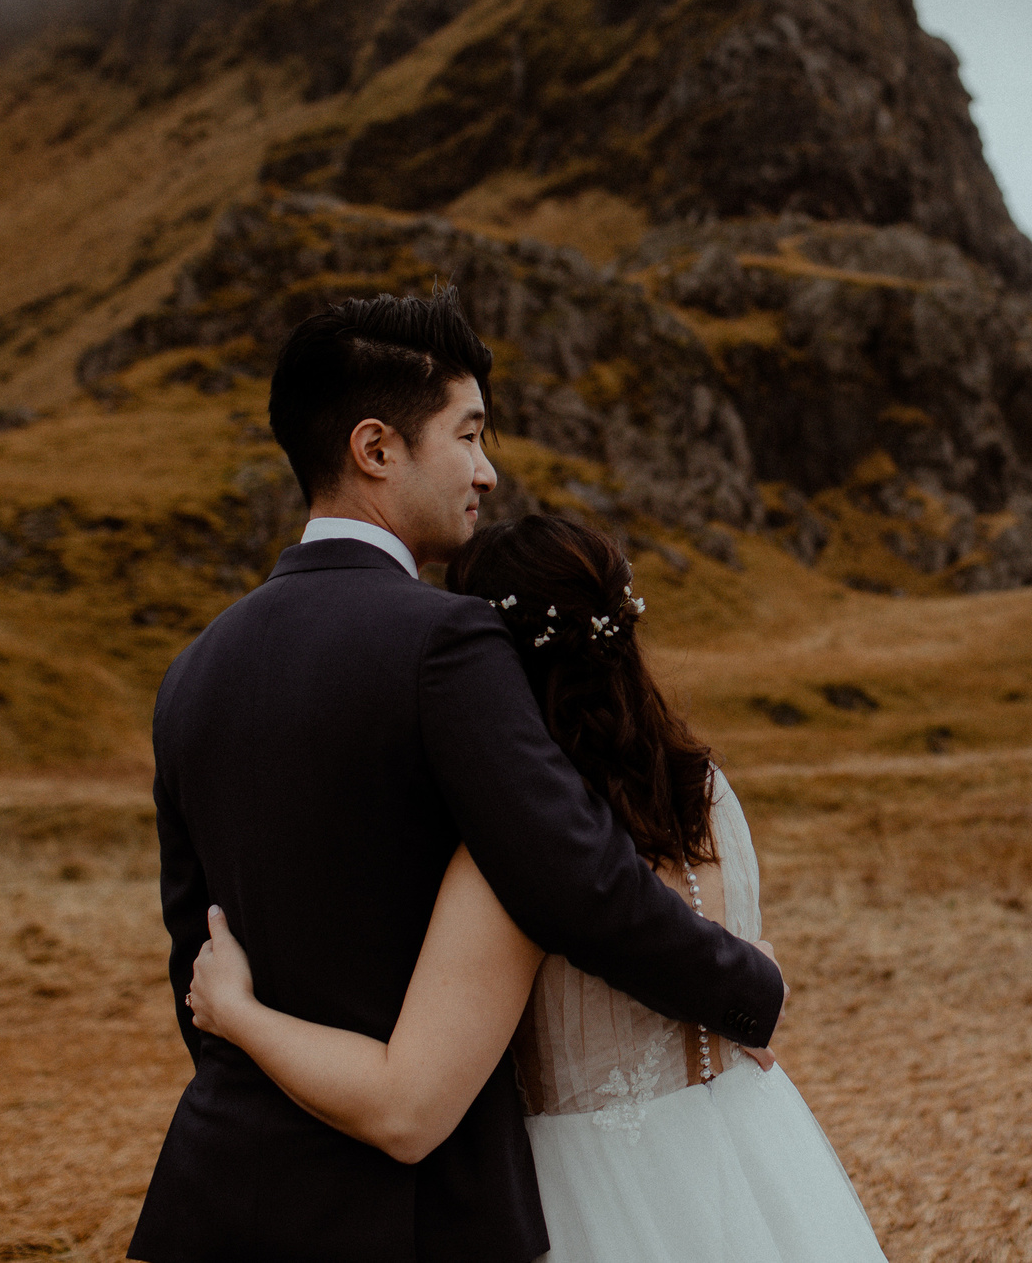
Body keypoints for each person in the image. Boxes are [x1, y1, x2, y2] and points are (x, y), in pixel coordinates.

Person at [130, 292, 785, 1263]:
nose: (487, 472)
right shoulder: (443, 640)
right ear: (376, 449)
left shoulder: (191, 673)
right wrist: (745, 988)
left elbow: (201, 959)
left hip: (213, 1202)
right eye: (468, 435)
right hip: (412, 1216)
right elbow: (573, 877)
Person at [184, 512, 890, 1263]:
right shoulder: (710, 793)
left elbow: (404, 1107)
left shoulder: (515, 858)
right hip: (756, 1160)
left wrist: (236, 1010)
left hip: (594, 1193)